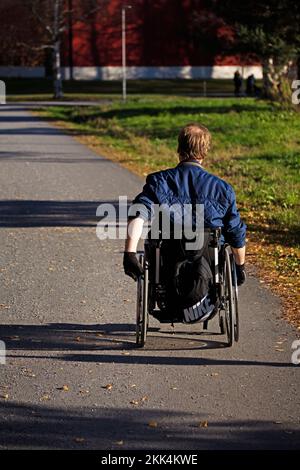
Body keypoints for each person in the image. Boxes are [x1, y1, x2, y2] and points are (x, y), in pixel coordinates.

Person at [123, 123, 246, 287]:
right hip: (208, 276)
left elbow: (139, 213)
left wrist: (130, 253)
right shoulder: (222, 189)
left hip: (166, 276)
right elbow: (235, 232)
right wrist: (239, 267)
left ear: (179, 149)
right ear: (205, 151)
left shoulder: (159, 182)